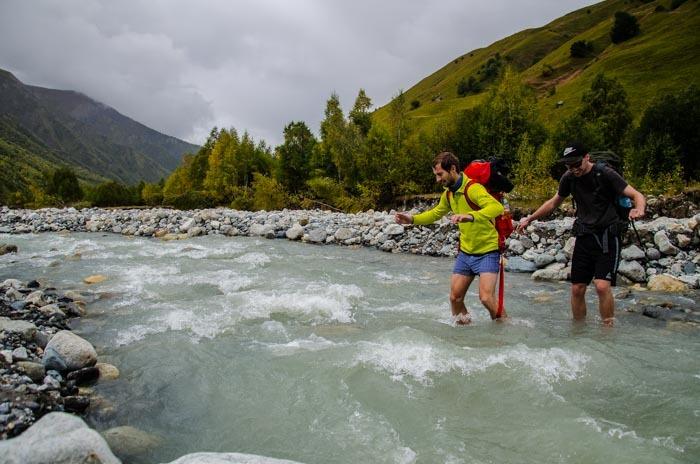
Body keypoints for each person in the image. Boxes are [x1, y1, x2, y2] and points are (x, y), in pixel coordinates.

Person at [516, 142, 646, 325]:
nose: (573, 169)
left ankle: (607, 329)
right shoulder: (569, 178)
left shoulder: (605, 174)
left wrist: (638, 209)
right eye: (569, 165)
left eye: (576, 164)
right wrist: (530, 219)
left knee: (601, 286)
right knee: (577, 288)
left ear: (587, 157)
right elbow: (553, 203)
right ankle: (578, 331)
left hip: (608, 237)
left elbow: (637, 195)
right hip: (584, 236)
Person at [395, 151, 506, 324]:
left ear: (452, 169)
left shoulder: (473, 188)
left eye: (440, 174)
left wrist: (470, 215)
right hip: (466, 253)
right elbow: (435, 213)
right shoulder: (448, 194)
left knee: (486, 298)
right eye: (436, 175)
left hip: (487, 251)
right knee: (455, 298)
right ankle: (464, 335)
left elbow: (496, 207)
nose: (438, 180)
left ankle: (504, 328)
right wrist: (412, 219)